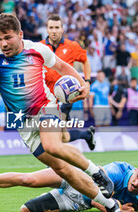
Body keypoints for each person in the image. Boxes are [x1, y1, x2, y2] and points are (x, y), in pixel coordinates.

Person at [0, 13, 122, 212]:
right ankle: (111, 206)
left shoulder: (37, 49)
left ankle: (97, 172)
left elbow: (62, 67)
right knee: (63, 170)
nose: (3, 43)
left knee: (52, 145)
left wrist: (83, 83)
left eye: (8, 37)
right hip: (22, 123)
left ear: (20, 34)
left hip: (46, 108)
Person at [0, 158, 138, 212]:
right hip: (75, 179)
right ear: (137, 168)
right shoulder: (118, 171)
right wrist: (117, 207)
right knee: (28, 180)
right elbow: (96, 198)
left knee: (25, 210)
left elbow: (127, 205)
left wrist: (120, 205)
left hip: (76, 203)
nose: (136, 183)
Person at [40, 14, 95, 151]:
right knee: (64, 137)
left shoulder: (72, 46)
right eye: (51, 27)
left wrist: (87, 81)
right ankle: (87, 135)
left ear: (62, 29)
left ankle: (53, 169)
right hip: (48, 98)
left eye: (57, 27)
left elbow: (85, 61)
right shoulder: (39, 47)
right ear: (47, 29)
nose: (54, 31)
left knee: (54, 133)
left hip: (66, 97)